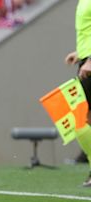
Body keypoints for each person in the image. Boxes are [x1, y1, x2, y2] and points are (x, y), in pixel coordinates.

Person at [64, 0, 91, 187]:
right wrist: (80, 53)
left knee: (84, 118)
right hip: (85, 59)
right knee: (84, 119)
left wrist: (90, 59)